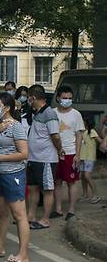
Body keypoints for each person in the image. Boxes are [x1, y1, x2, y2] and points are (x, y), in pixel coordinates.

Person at [0, 92, 30, 262]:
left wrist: (0, 159)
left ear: (6, 107)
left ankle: (23, 254)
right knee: (2, 214)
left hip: (13, 174)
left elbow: (24, 153)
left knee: (19, 215)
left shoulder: (17, 127)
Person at [26, 84, 62, 230]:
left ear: (33, 97)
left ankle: (45, 219)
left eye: (29, 98)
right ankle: (31, 216)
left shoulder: (49, 114)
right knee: (32, 188)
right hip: (33, 159)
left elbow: (55, 136)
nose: (28, 101)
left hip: (46, 159)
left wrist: (60, 150)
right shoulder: (37, 113)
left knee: (47, 189)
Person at [52, 85, 84, 221]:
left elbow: (79, 136)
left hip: (70, 153)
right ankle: (58, 209)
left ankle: (71, 210)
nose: (67, 100)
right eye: (64, 98)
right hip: (54, 153)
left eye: (70, 98)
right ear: (58, 98)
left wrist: (77, 154)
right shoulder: (52, 113)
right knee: (57, 182)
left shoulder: (76, 114)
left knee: (72, 182)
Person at [79, 116, 102, 204]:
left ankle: (95, 195)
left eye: (83, 120)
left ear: (87, 122)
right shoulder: (80, 132)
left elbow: (100, 141)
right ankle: (85, 195)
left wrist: (104, 144)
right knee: (82, 176)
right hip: (82, 157)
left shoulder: (92, 131)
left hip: (89, 157)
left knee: (87, 176)